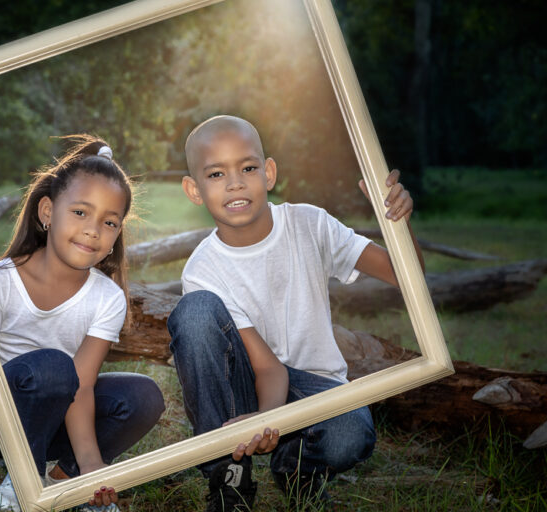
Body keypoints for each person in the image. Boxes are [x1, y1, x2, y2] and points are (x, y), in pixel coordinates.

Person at [167, 115, 424, 511]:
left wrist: (397, 221)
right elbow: (269, 370)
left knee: (351, 433)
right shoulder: (204, 269)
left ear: (268, 173)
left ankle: (296, 468)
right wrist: (263, 418)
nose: (235, 183)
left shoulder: (309, 224)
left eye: (248, 168)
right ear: (194, 190)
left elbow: (407, 274)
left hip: (313, 385)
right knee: (195, 313)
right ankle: (228, 478)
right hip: (247, 380)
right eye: (216, 174)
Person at [0, 135, 165, 512]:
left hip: (59, 418)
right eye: (81, 213)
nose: (93, 230)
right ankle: (23, 477)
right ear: (48, 212)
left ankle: (67, 480)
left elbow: (81, 388)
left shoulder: (107, 298)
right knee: (53, 365)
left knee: (143, 397)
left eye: (109, 222)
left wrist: (90, 467)